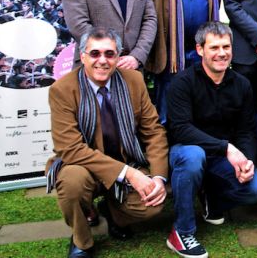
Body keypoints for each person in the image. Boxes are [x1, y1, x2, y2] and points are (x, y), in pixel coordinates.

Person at [46, 27, 168, 258]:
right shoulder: (62, 90)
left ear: (118, 56)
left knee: (154, 202)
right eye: (95, 53)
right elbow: (70, 148)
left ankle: (114, 213)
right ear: (82, 56)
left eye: (110, 54)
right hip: (83, 166)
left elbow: (153, 131)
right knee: (72, 184)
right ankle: (82, 241)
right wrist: (130, 175)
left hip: (127, 159)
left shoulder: (134, 80)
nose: (102, 60)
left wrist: (158, 178)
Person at [165, 22, 257, 258]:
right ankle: (181, 232)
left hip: (222, 158)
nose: (221, 53)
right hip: (187, 152)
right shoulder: (182, 83)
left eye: (226, 46)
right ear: (200, 49)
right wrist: (226, 148)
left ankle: (212, 198)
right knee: (193, 156)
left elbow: (246, 130)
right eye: (214, 47)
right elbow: (180, 129)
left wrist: (247, 161)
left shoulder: (241, 84)